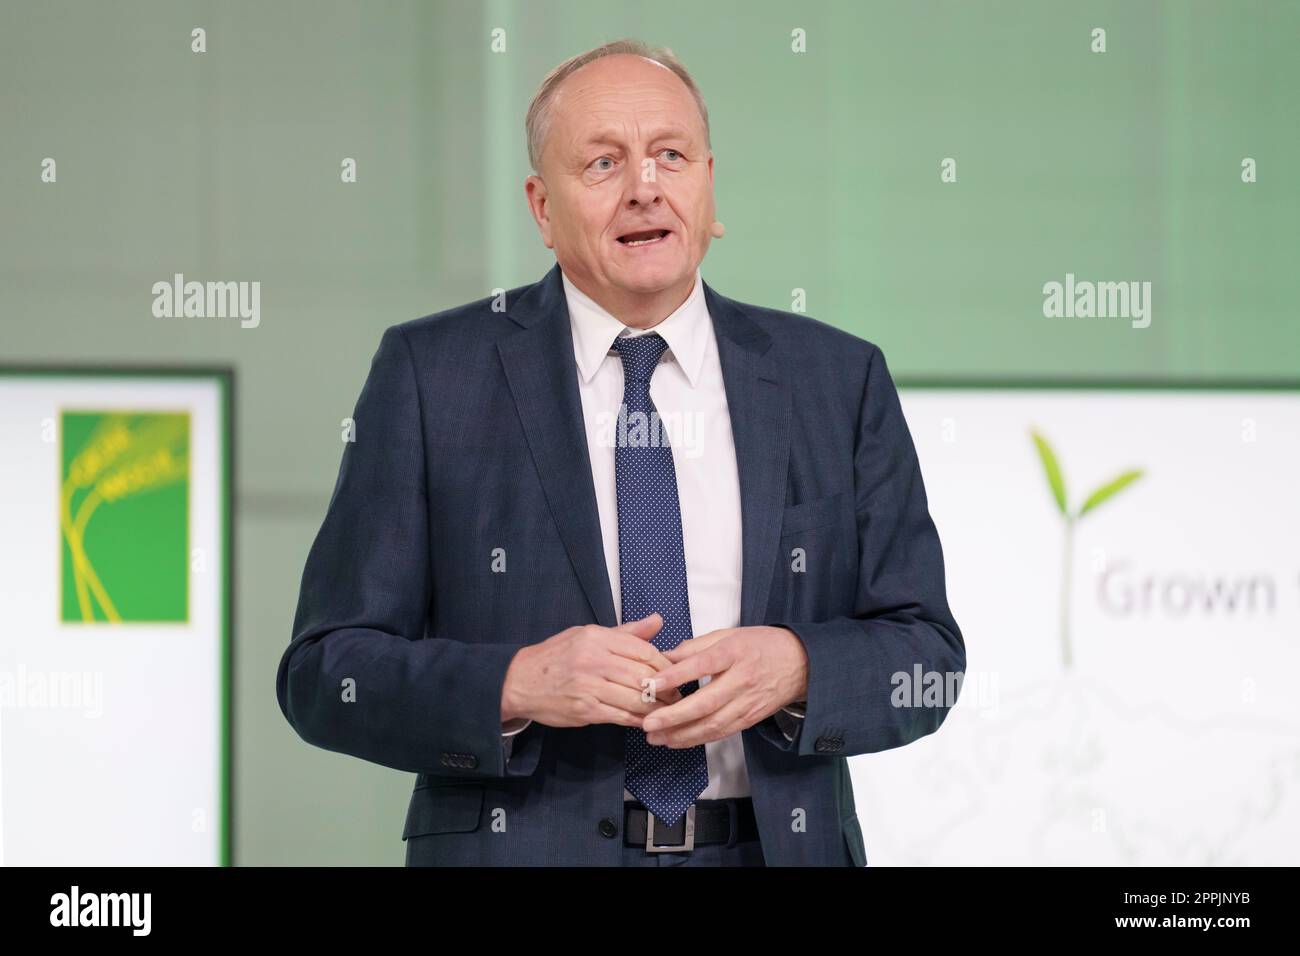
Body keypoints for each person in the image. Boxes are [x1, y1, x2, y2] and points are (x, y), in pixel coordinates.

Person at [276, 38, 965, 867]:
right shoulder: (433, 375)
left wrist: (796, 666)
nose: (645, 187)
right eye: (603, 164)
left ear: (710, 185)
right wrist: (516, 684)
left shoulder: (836, 377)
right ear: (541, 207)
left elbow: (927, 653)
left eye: (670, 156)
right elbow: (325, 673)